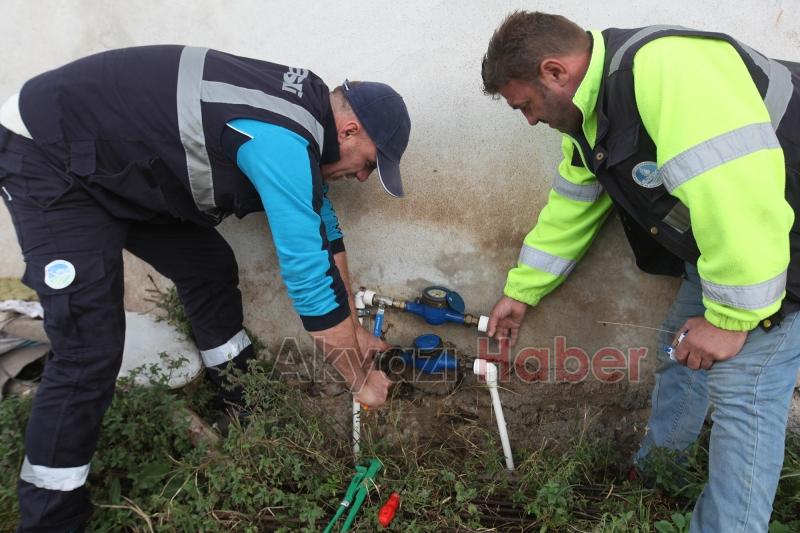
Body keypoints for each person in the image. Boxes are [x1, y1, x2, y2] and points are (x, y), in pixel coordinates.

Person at [0, 45, 409, 532]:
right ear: (350, 130)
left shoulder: (303, 117)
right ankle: (51, 518)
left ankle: (241, 409)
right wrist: (358, 379)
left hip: (118, 170)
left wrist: (356, 334)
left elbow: (326, 233)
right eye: (367, 164)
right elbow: (306, 276)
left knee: (208, 264)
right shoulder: (281, 138)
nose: (362, 177)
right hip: (52, 156)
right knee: (88, 346)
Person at [481, 11, 800, 532]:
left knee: (746, 395)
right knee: (679, 349)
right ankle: (659, 479)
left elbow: (736, 194)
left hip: (777, 245)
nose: (530, 119)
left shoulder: (668, 70)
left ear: (556, 72)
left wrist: (731, 319)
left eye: (527, 104)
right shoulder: (593, 111)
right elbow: (576, 199)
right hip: (738, 248)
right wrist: (522, 292)